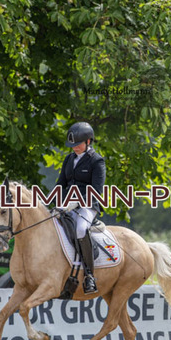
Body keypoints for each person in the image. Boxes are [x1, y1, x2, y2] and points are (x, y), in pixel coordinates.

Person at [55, 122, 106, 294]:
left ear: (88, 141)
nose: (75, 147)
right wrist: (56, 203)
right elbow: (61, 184)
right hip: (67, 205)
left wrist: (76, 202)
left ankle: (90, 276)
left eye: (78, 144)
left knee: (81, 229)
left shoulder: (97, 161)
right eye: (72, 145)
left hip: (88, 206)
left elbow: (97, 191)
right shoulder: (69, 159)